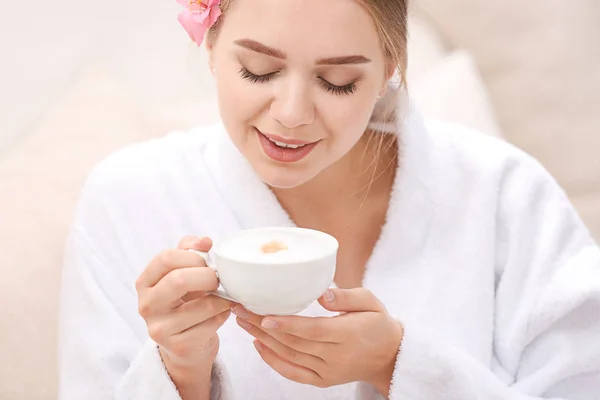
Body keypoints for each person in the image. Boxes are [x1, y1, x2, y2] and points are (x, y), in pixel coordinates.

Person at [57, 0, 600, 399]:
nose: (291, 112)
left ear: (391, 69)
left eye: (338, 81)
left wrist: (399, 367)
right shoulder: (128, 198)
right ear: (211, 44)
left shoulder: (506, 195)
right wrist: (179, 371)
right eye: (259, 71)